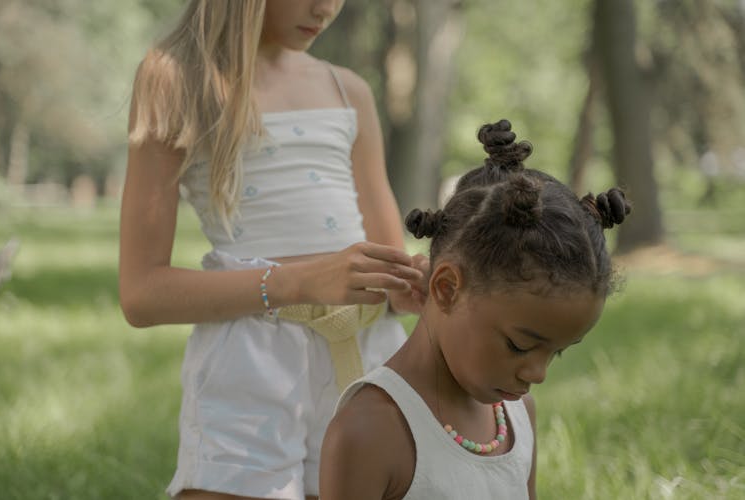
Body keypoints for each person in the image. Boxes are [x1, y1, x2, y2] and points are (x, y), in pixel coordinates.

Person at [119, 1, 427, 499]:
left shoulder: (348, 91)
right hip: (252, 366)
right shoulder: (174, 80)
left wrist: (409, 285)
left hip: (366, 359)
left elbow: (388, 266)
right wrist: (299, 283)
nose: (326, 6)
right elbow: (141, 294)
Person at [319, 119, 632, 500]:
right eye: (519, 346)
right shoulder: (371, 430)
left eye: (557, 352)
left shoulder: (516, 416)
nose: (538, 373)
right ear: (448, 289)